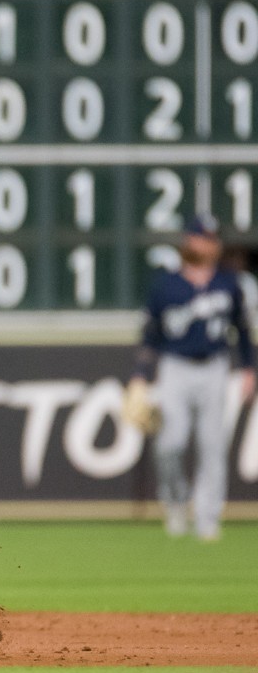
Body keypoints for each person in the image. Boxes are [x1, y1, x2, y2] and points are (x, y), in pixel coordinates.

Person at [127, 214, 255, 541]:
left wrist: (248, 368)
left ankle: (207, 518)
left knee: (212, 446)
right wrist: (140, 376)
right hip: (175, 367)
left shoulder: (228, 283)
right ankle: (175, 502)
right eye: (202, 238)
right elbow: (150, 335)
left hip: (214, 366)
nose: (208, 244)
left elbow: (241, 329)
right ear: (189, 241)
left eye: (213, 239)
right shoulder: (167, 285)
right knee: (170, 443)